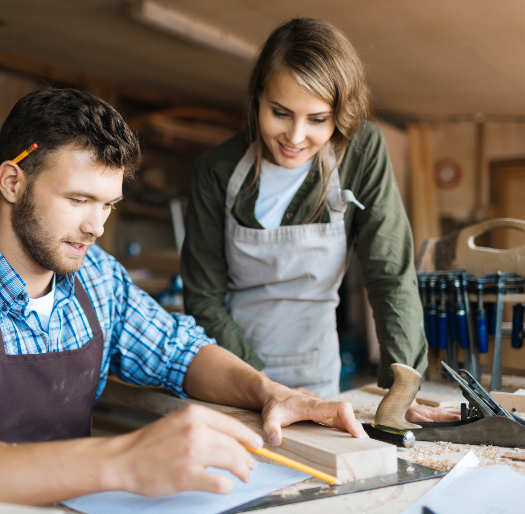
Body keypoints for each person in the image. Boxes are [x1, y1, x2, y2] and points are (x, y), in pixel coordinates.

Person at [0, 88, 367, 514]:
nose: (97, 226)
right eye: (79, 200)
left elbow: (178, 351)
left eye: (108, 204)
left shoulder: (96, 277)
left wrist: (269, 392)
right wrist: (121, 460)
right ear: (13, 182)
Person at [181, 18, 445, 412]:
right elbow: (204, 298)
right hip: (232, 372)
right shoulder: (217, 170)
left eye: (318, 119)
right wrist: (261, 388)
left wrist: (401, 387)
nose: (295, 136)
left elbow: (390, 272)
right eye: (280, 112)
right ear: (257, 98)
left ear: (341, 114)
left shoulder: (362, 152)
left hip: (318, 373)